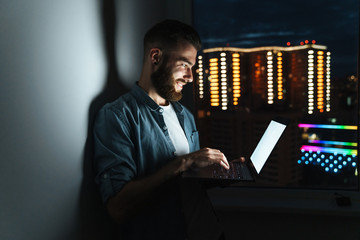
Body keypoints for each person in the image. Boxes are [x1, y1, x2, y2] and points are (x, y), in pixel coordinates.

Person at [93, 19, 231, 240]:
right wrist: (183, 162)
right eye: (184, 64)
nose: (190, 77)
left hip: (210, 232)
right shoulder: (117, 116)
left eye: (192, 67)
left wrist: (219, 173)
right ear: (155, 57)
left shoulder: (185, 116)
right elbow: (117, 208)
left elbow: (185, 182)